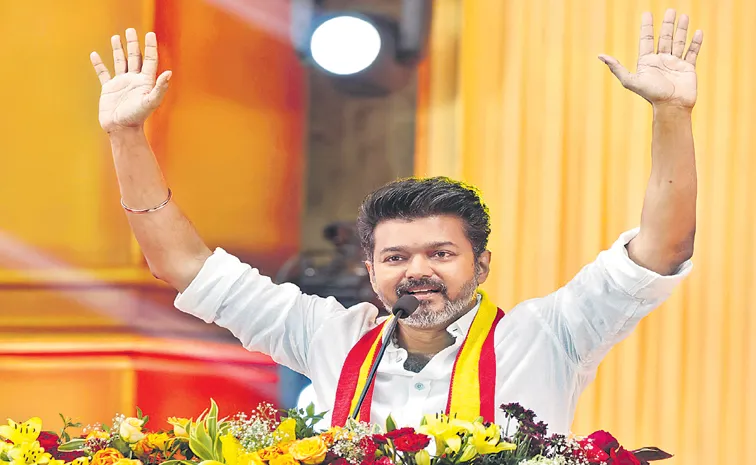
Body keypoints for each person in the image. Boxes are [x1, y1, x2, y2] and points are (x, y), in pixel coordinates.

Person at [89, 8, 702, 434]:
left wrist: (671, 115)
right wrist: (126, 137)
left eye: (441, 253)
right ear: (370, 269)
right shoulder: (330, 337)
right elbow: (183, 265)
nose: (418, 271)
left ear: (482, 264)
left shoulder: (548, 337)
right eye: (396, 257)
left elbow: (662, 248)